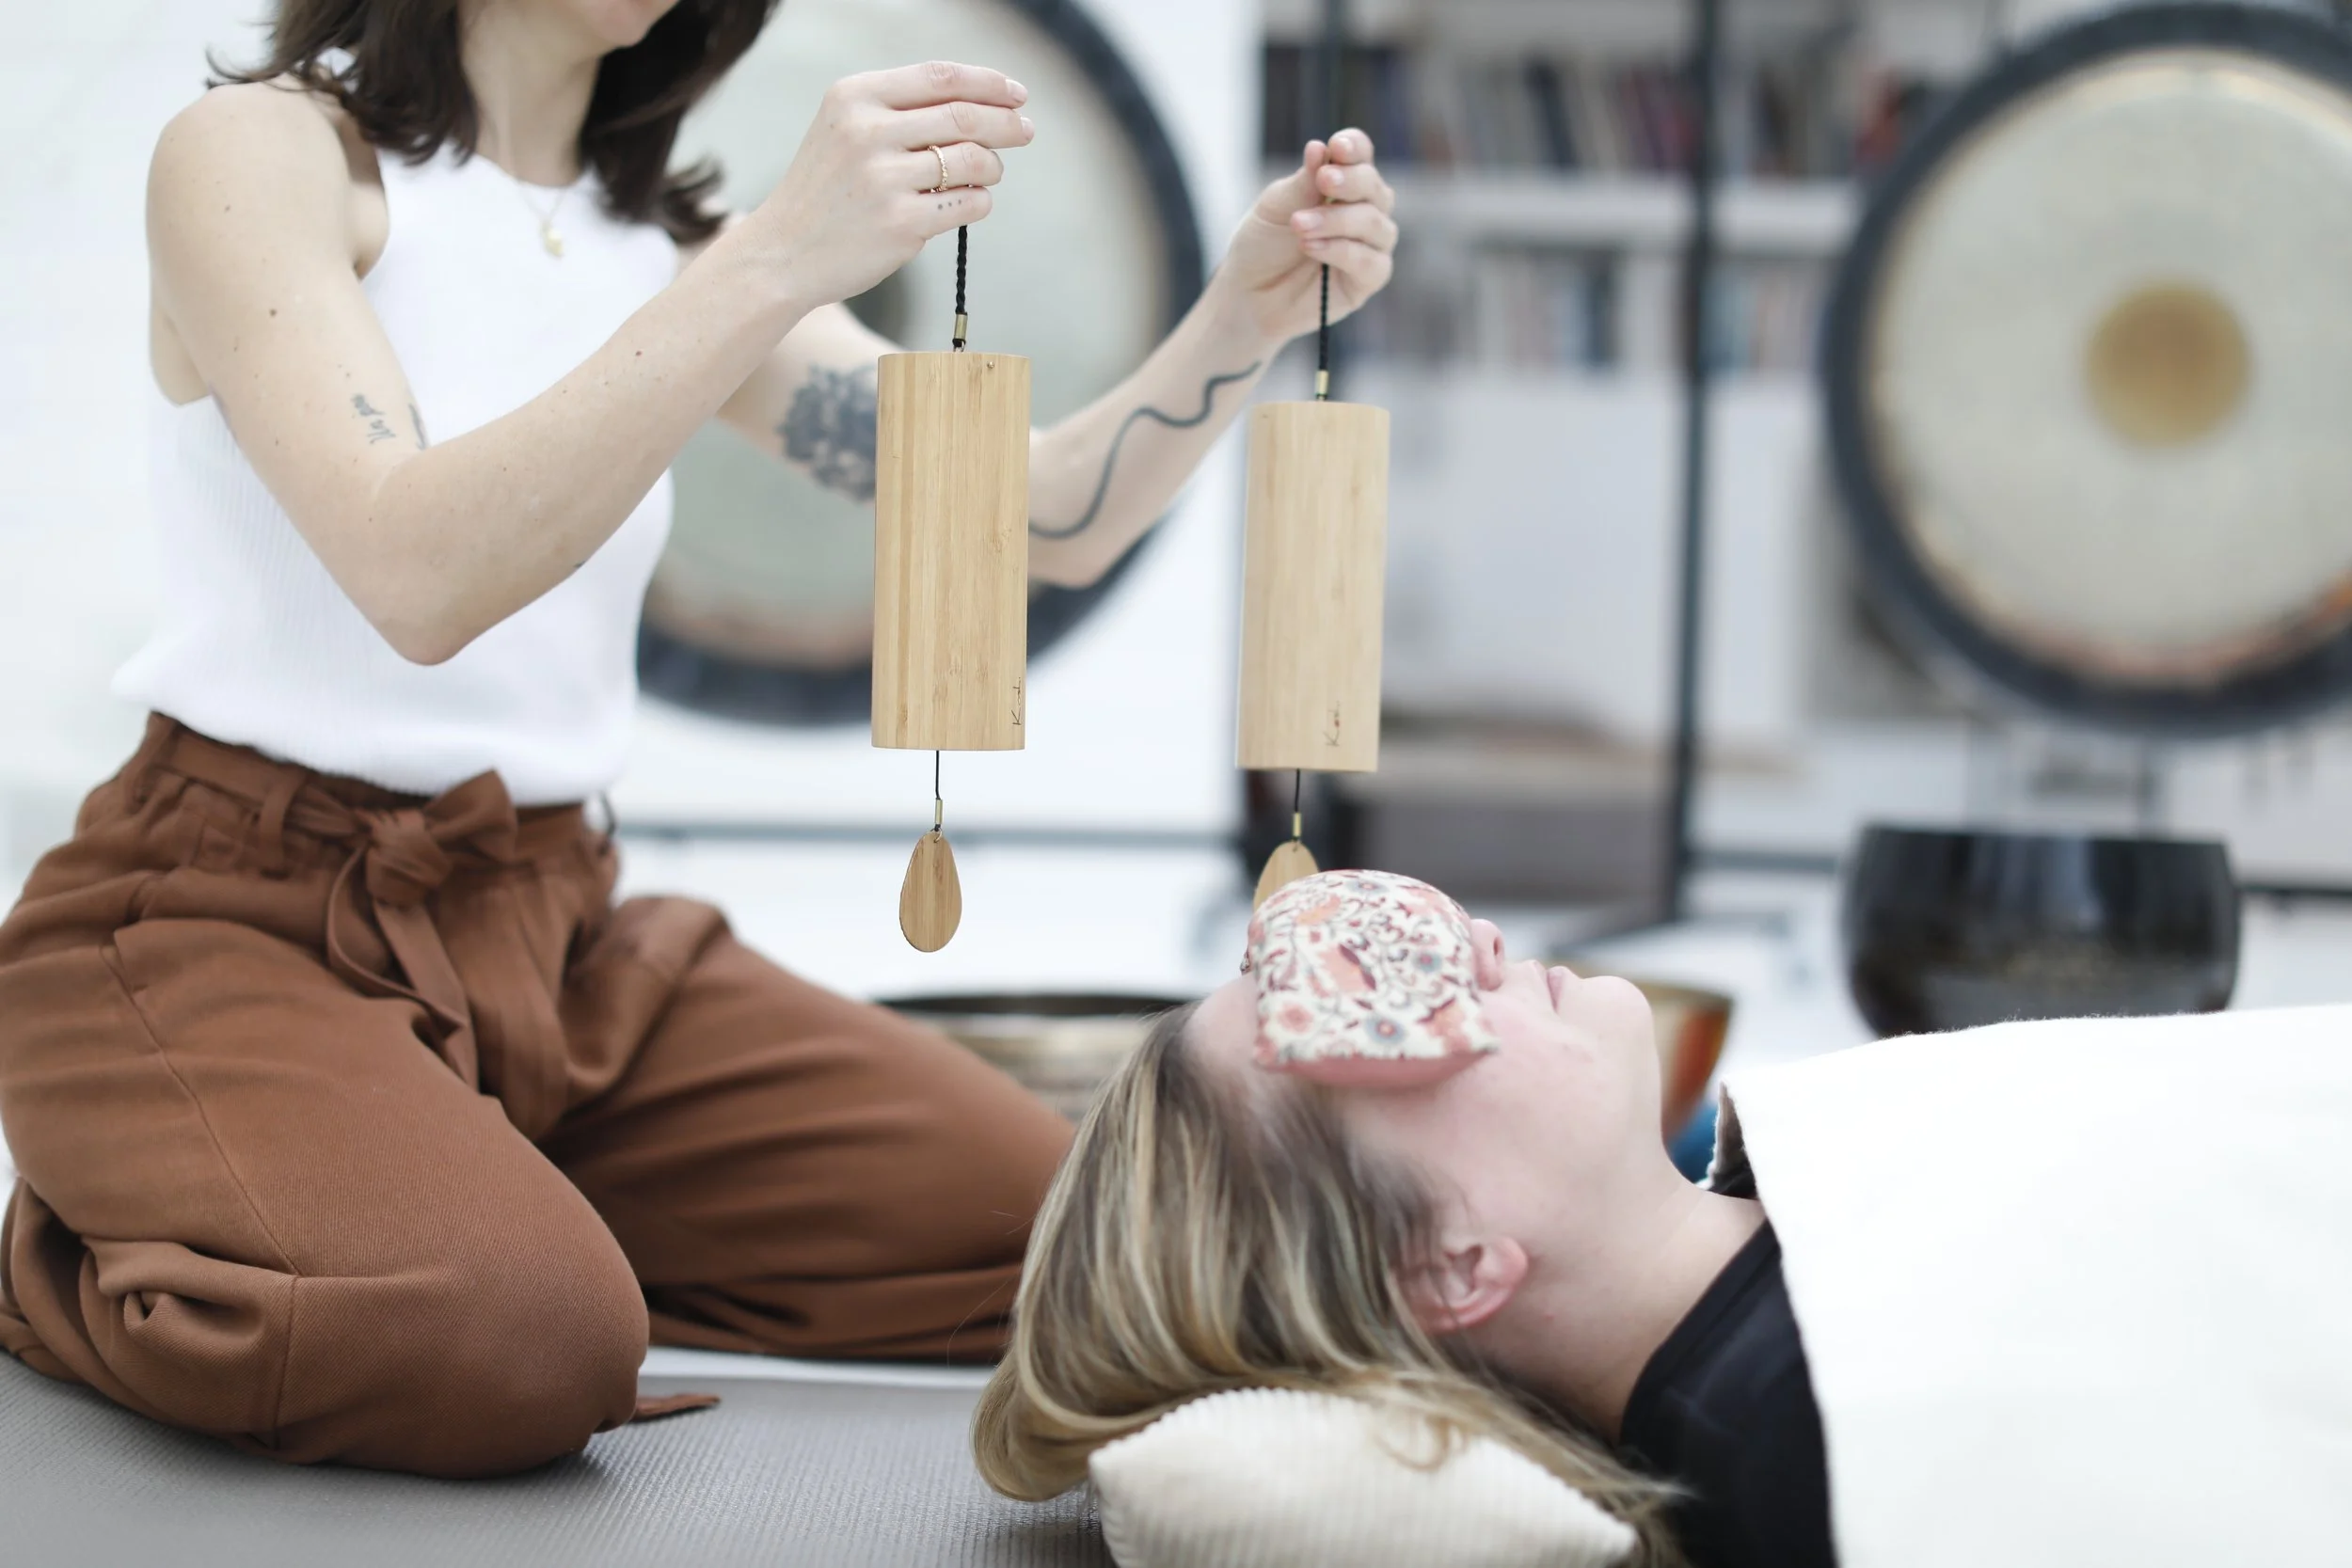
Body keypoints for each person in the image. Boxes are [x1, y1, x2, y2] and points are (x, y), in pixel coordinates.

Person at [0, 0, 1399, 1480]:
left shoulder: (666, 256)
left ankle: (451, 1199)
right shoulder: (264, 156)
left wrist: (1243, 315)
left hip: (560, 939)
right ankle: (77, 1251)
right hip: (228, 919)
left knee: (1075, 1236)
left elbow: (1041, 519)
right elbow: (414, 577)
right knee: (532, 1344)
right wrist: (779, 255)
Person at [974, 908, 1835, 1568]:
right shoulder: (1812, 1428)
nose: (1481, 942)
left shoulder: (1809, 1221)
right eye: (1386, 1008)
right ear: (1447, 1263)